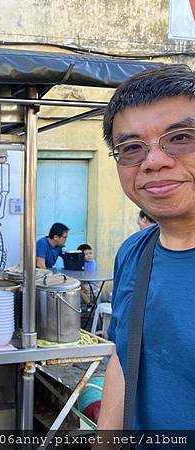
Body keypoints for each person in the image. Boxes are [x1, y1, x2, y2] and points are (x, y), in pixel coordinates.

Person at [98, 65, 195, 431]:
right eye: (132, 148)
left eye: (181, 138)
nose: (154, 161)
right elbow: (124, 360)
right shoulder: (135, 253)